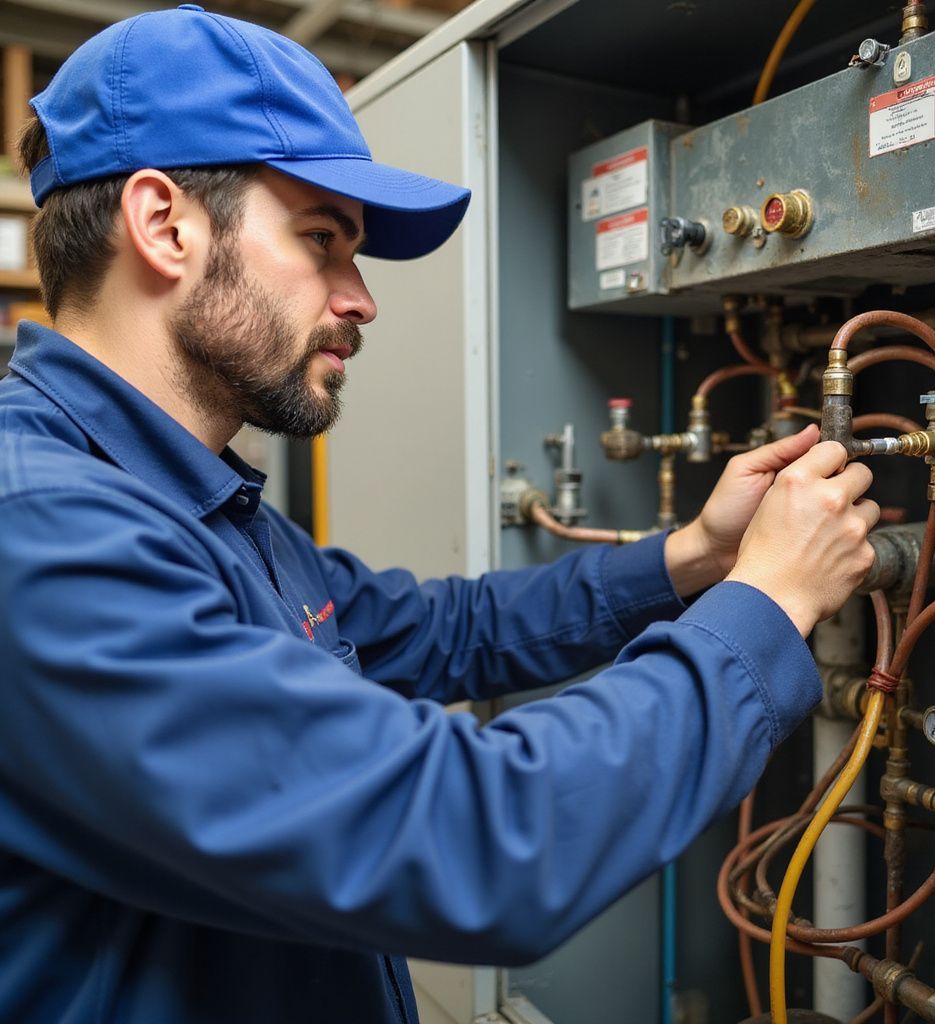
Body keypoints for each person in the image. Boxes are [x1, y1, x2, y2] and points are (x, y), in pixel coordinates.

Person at [0, 7, 878, 1023]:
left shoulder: (198, 503)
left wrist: (691, 558)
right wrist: (768, 604)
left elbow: (438, 630)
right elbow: (477, 843)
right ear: (164, 225)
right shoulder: (45, 536)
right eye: (322, 239)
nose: (360, 297)